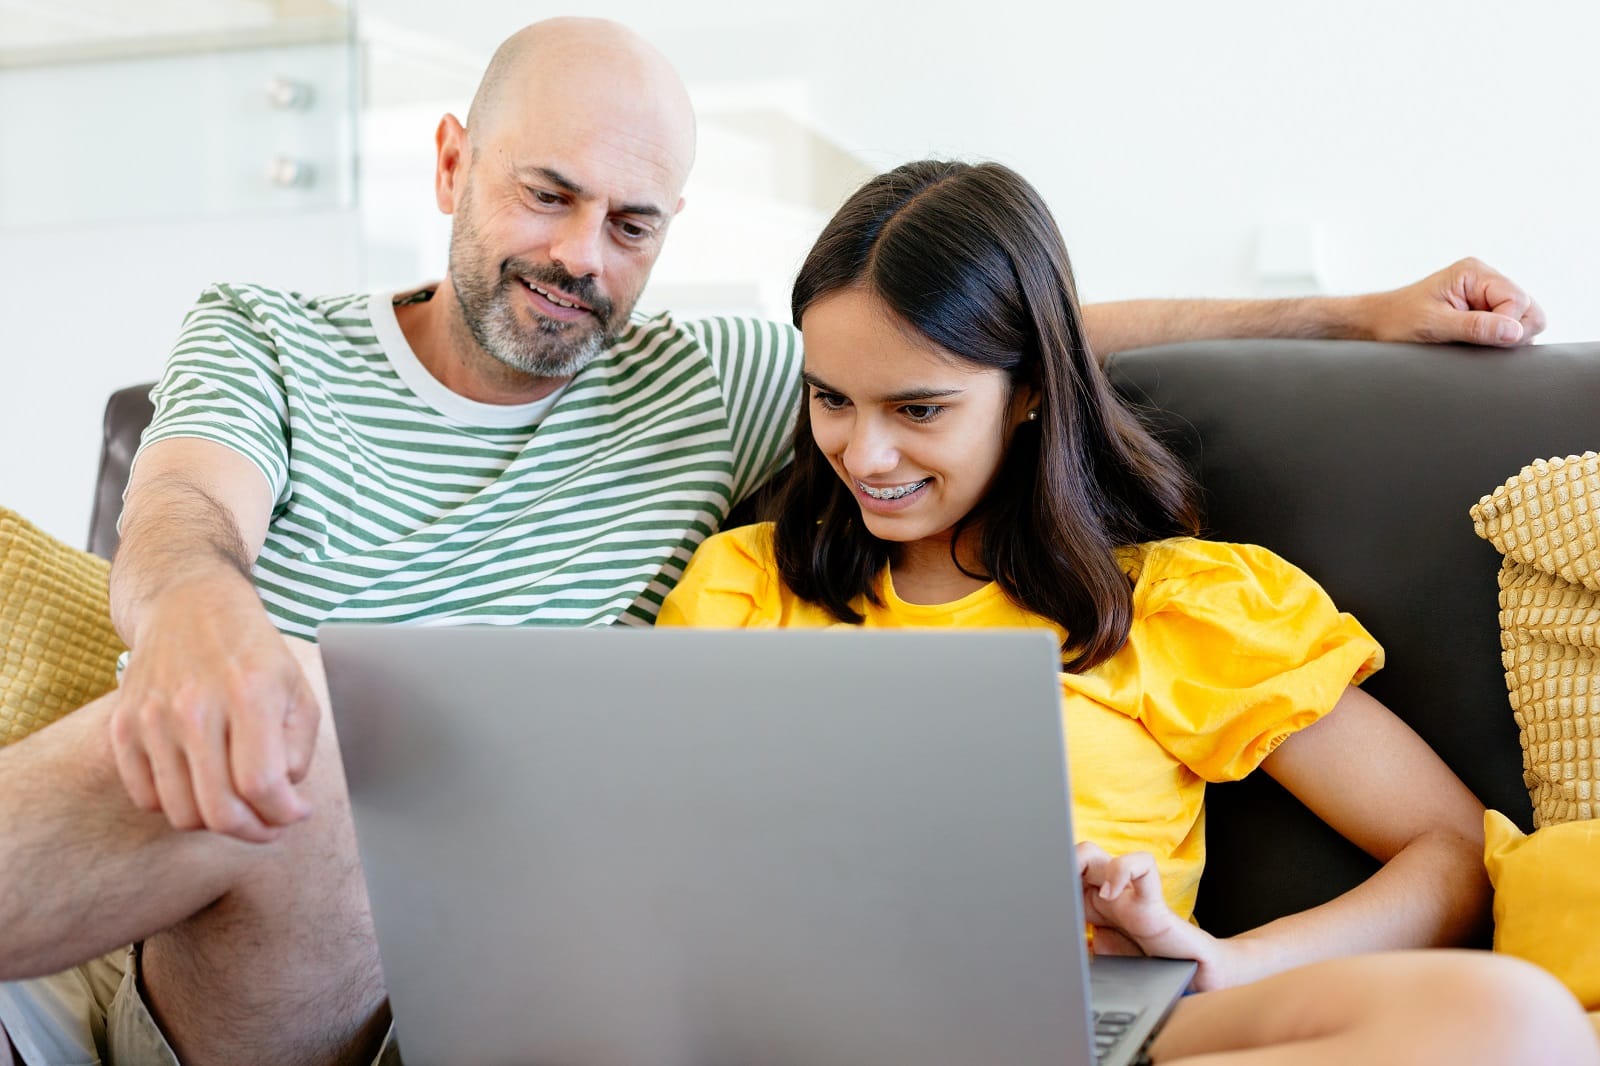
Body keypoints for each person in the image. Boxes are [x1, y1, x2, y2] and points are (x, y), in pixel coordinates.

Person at [0, 16, 1558, 1066]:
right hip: (405, 954)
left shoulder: (1163, 594)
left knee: (1525, 1027)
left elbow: (1020, 321)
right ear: (454, 163)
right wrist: (202, 606)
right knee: (328, 711)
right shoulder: (286, 347)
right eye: (548, 193)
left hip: (1057, 1009)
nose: (580, 257)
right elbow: (187, 511)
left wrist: (1350, 313)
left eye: (632, 224)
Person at [654, 158, 1596, 1064]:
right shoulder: (743, 586)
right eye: (832, 400)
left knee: (1516, 1022)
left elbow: (1451, 850)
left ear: (1027, 392)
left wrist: (1218, 965)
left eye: (919, 410)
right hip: (786, 1028)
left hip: (1082, 1029)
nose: (863, 456)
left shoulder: (1169, 606)